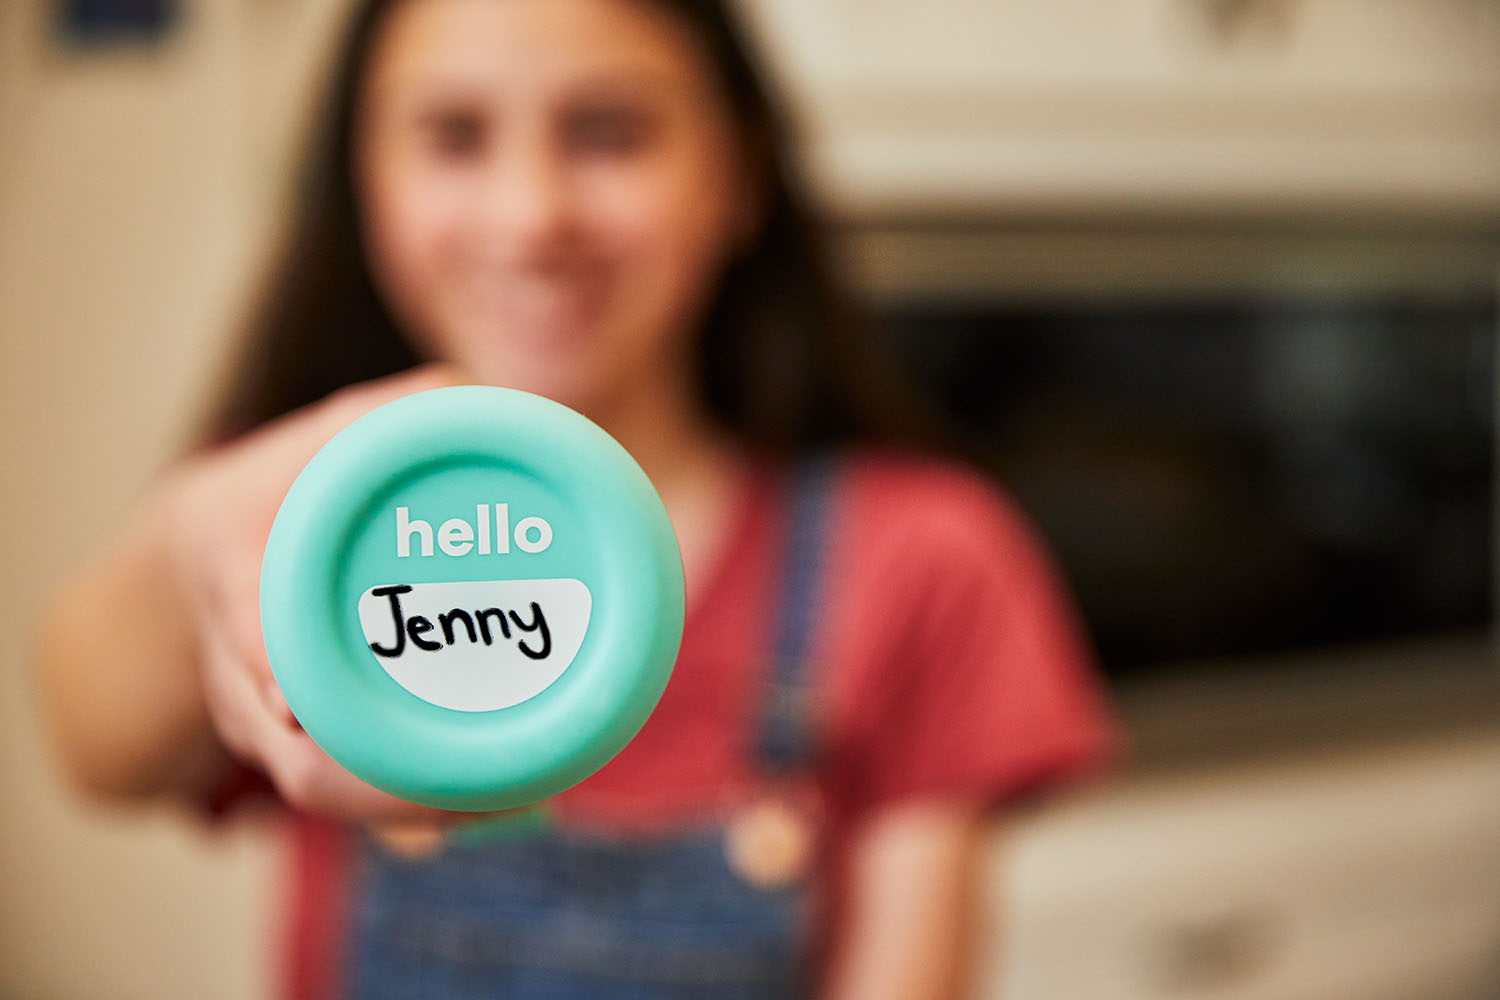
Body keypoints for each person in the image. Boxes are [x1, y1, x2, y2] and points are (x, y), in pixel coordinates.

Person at [35, 0, 1117, 996]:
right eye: (454, 137)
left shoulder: (923, 553)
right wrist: (193, 544)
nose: (531, 214)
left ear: (734, 176)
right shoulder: (319, 529)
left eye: (609, 132)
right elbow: (89, 743)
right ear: (366, 181)